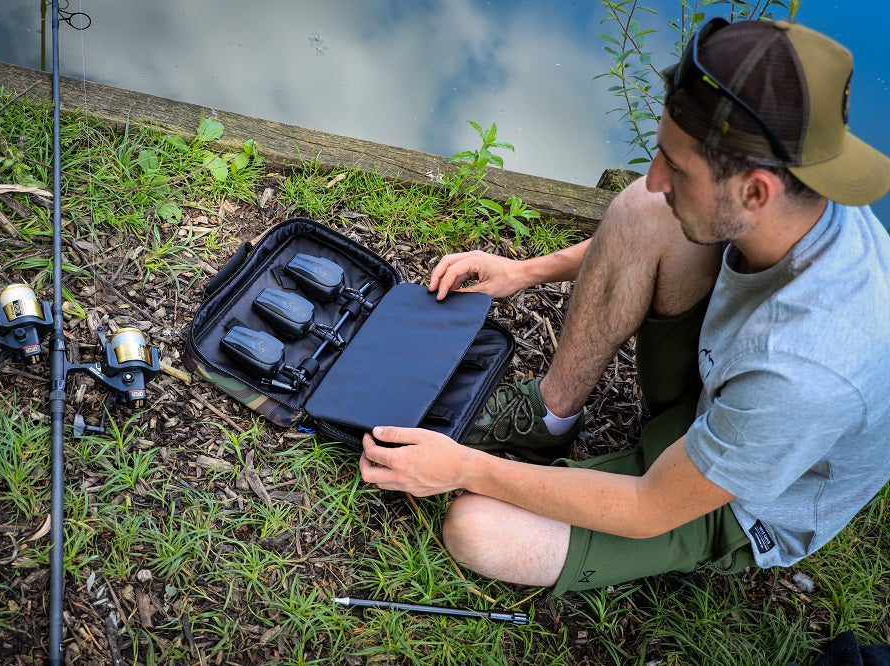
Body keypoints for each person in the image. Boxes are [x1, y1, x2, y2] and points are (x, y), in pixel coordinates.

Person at [358, 18, 890, 595]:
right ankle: (548, 416)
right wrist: (526, 271)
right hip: (722, 394)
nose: (656, 176)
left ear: (756, 191)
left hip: (730, 498)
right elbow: (657, 215)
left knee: (477, 530)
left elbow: (649, 507)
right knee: (645, 210)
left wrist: (465, 467)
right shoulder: (797, 190)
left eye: (677, 167)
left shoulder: (808, 371)